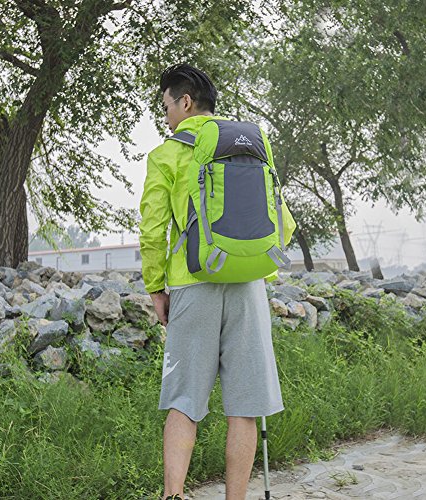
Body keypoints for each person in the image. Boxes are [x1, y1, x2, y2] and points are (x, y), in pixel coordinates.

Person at [138, 63, 295, 500]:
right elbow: (284, 223)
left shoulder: (166, 155)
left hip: (193, 283)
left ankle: (173, 496)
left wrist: (156, 288)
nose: (166, 116)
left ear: (185, 102)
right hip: (249, 286)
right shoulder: (249, 146)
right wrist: (251, 262)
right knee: (244, 407)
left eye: (166, 107)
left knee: (184, 401)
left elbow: (153, 230)